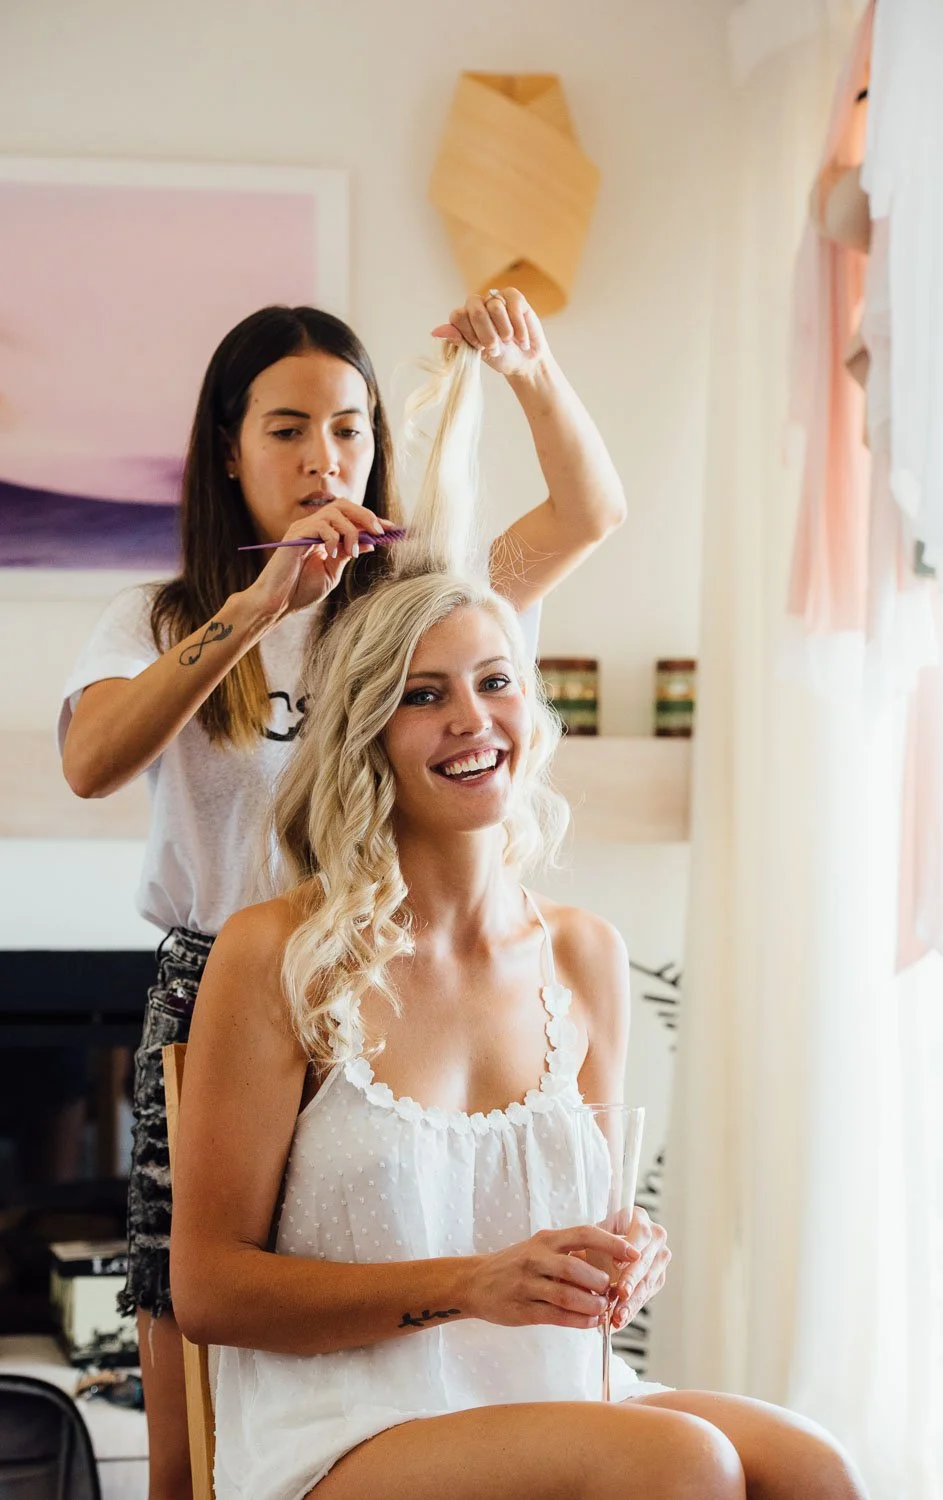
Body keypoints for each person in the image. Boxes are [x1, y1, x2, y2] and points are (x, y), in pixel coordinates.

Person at [170, 344, 869, 1500]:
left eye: (494, 682)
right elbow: (210, 1293)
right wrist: (468, 1284)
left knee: (814, 1468)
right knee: (678, 1462)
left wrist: (620, 1255)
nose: (471, 721)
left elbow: (580, 1231)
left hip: (557, 1396)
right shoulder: (279, 956)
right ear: (365, 735)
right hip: (344, 1429)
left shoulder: (582, 955)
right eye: (423, 695)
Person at [57, 288, 627, 1500]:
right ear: (227, 446)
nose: (327, 455)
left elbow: (590, 512)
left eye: (353, 426)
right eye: (287, 428)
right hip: (225, 984)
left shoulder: (418, 606)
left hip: (400, 988)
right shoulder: (160, 618)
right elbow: (93, 761)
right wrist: (258, 607)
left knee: (439, 1359)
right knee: (186, 1437)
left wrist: (526, 368)